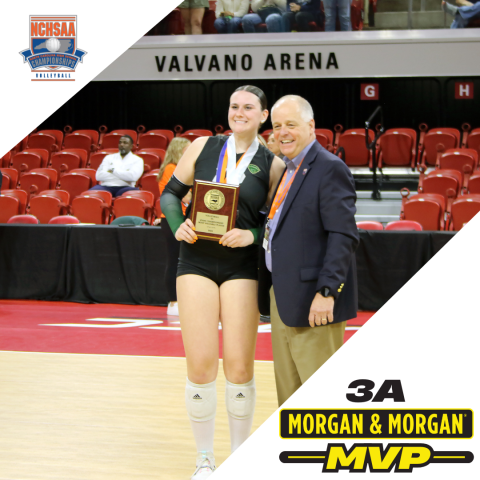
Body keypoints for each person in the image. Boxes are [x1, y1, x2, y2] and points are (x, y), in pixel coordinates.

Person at [160, 85, 284, 479]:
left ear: (263, 115)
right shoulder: (202, 147)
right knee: (200, 367)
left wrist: (251, 233)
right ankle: (204, 459)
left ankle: (240, 458)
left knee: (239, 368)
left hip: (240, 267)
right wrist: (177, 225)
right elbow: (170, 195)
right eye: (234, 106)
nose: (239, 112)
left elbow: (275, 221)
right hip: (195, 261)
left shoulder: (273, 164)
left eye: (248, 107)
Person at [258, 95, 359, 407]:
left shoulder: (329, 168)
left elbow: (343, 235)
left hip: (315, 300)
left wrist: (327, 291)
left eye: (291, 124)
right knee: (289, 397)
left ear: (311, 126)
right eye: (277, 126)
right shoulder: (287, 170)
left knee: (320, 401)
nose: (282, 132)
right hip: (283, 297)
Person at [155, 137, 192, 316]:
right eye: (187, 149)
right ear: (178, 151)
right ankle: (174, 302)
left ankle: (180, 301)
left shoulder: (176, 168)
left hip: (179, 219)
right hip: (174, 220)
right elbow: (186, 197)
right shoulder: (172, 169)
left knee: (180, 261)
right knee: (175, 261)